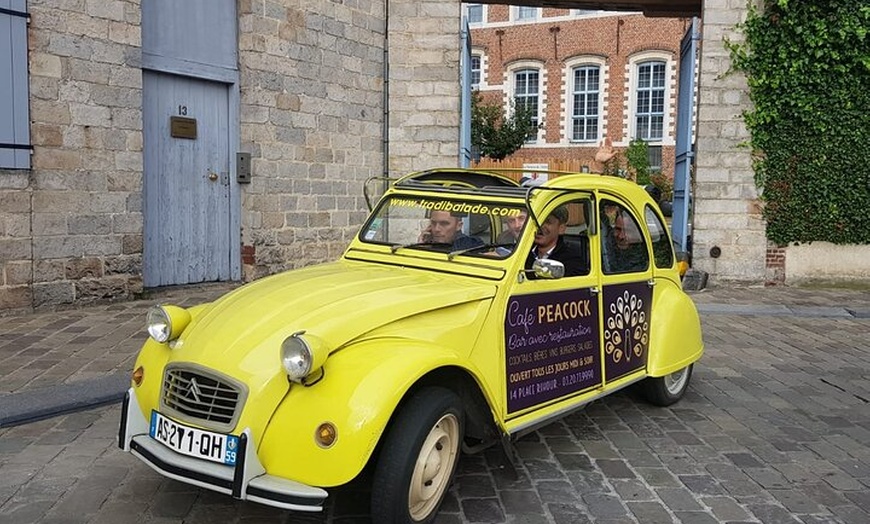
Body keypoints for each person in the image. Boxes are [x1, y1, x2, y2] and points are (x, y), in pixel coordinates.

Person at [524, 206, 588, 278]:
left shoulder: (571, 261)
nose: (540, 226)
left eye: (548, 222)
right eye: (538, 221)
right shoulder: (523, 253)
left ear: (561, 229)